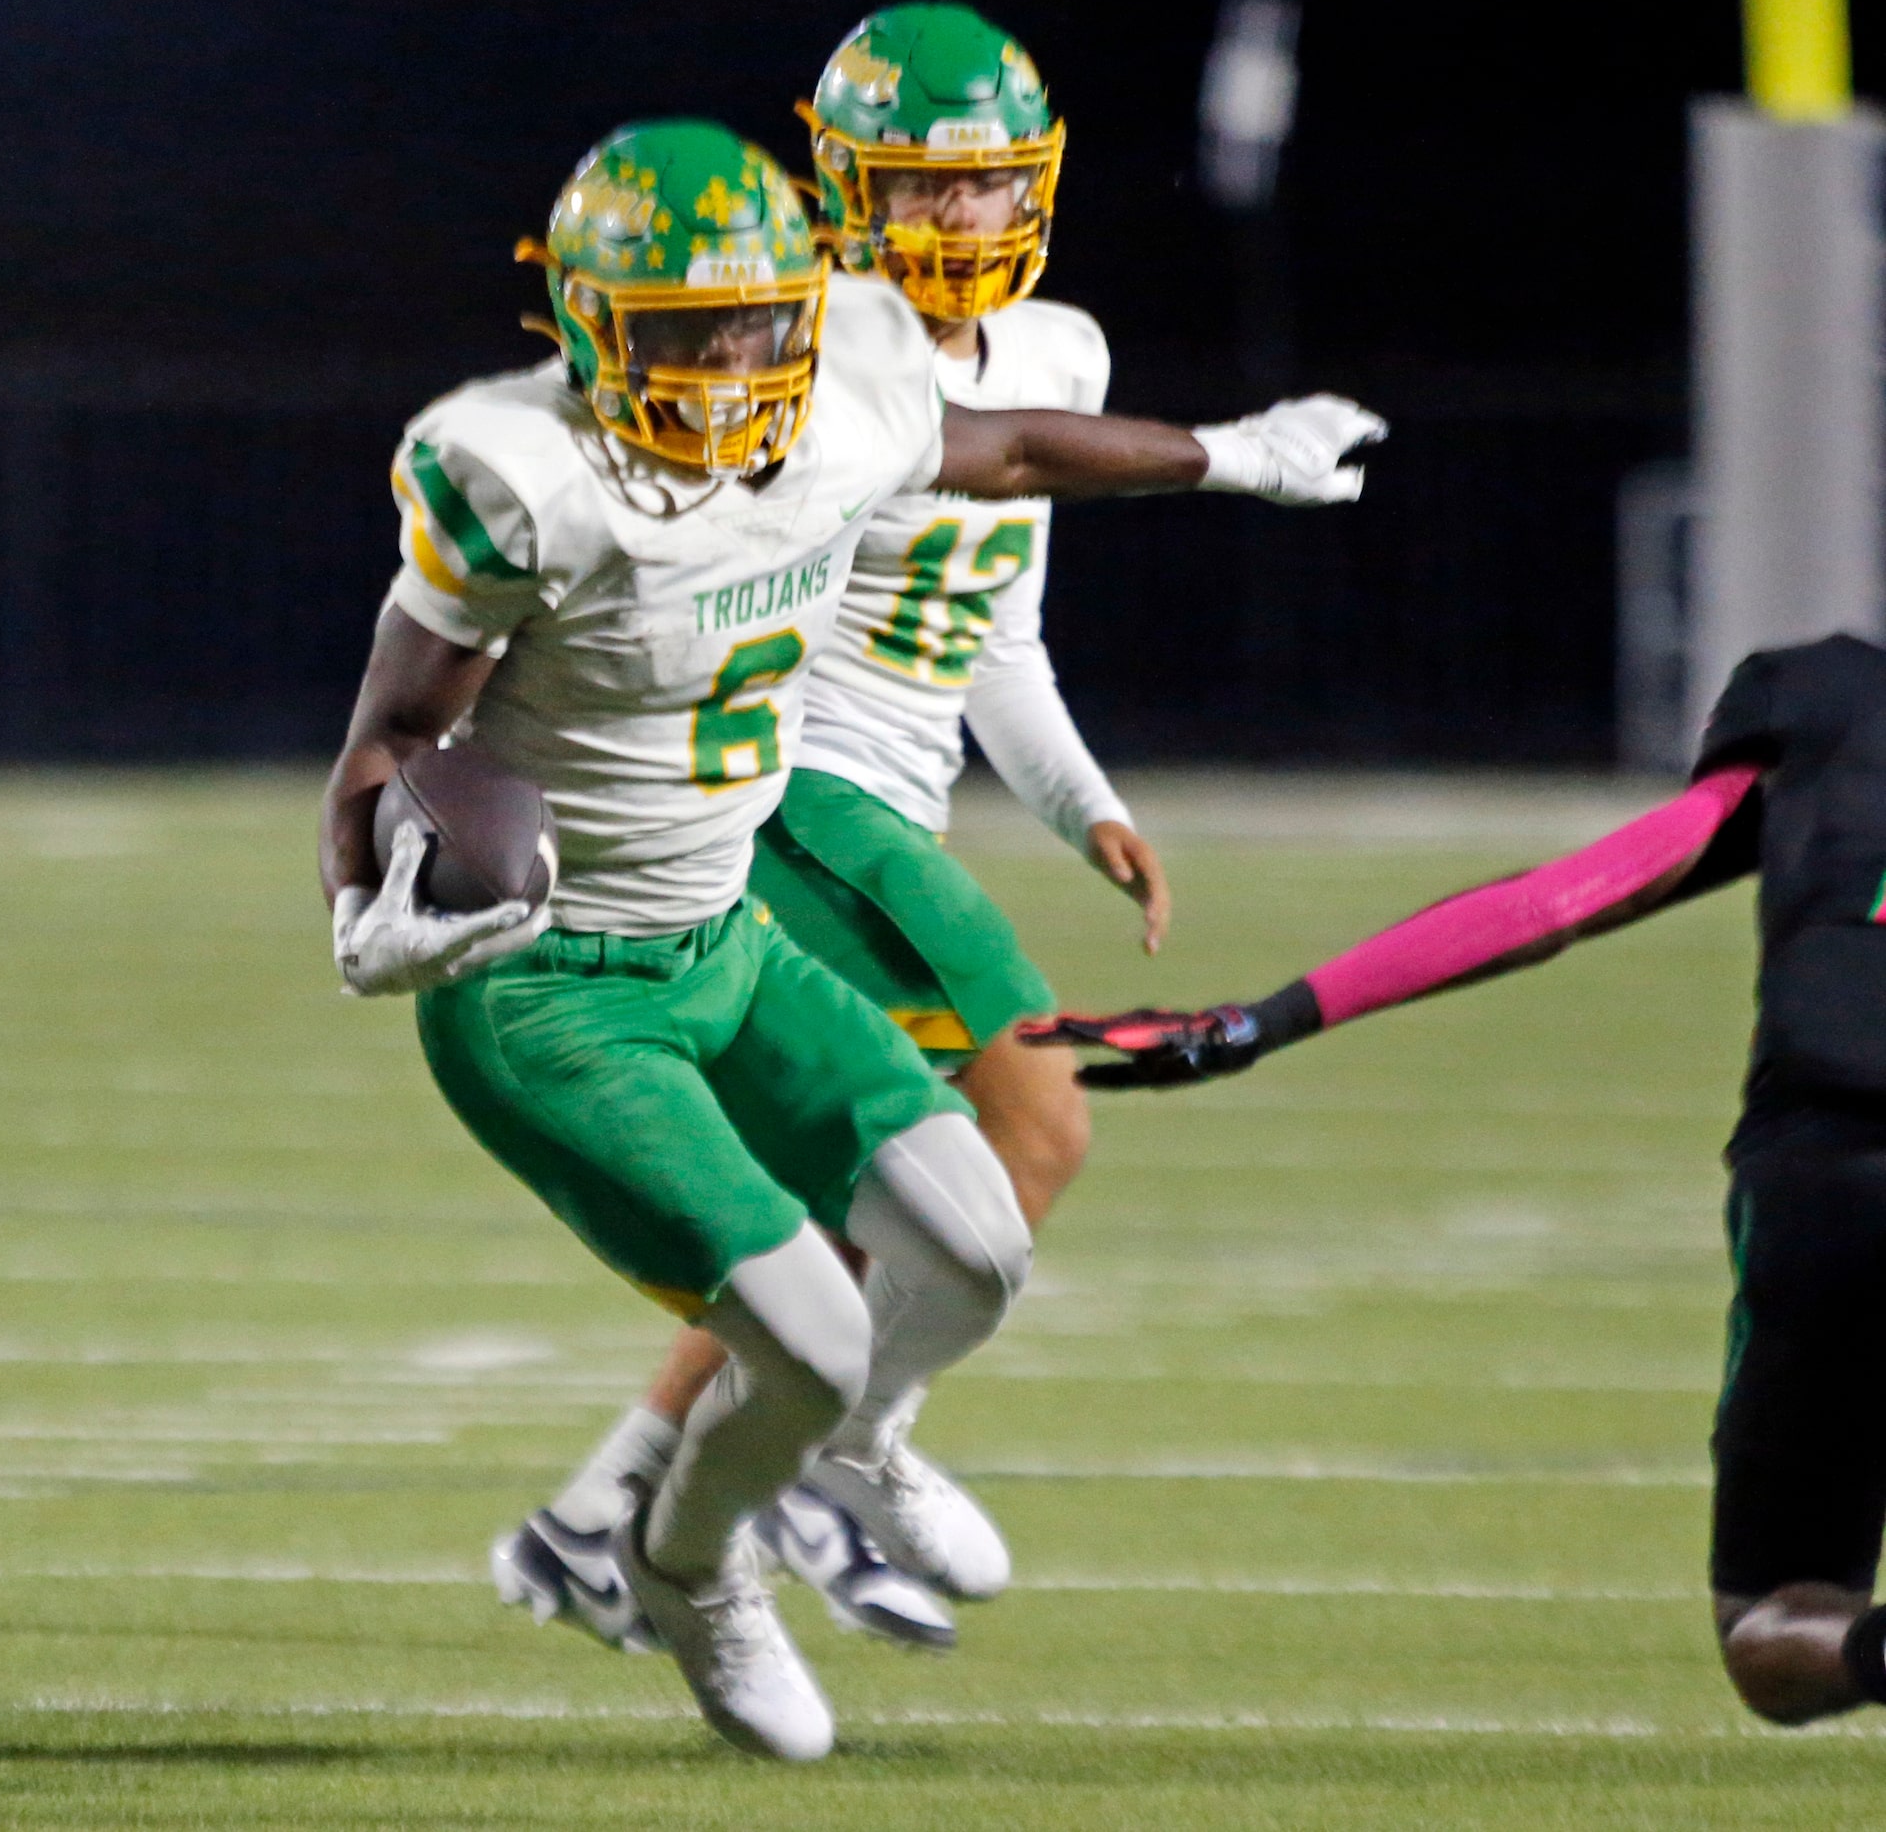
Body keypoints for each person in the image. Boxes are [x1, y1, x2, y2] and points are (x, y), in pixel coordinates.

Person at [323, 118, 1382, 1759]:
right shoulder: (521, 479)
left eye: (751, 321)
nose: (726, 360)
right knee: (809, 1331)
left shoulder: (842, 409)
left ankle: (832, 1457)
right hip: (545, 988)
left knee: (975, 1247)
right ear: (587, 326)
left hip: (722, 948)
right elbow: (390, 735)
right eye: (679, 330)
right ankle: (682, 1565)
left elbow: (1014, 449)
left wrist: (1228, 454)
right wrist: (364, 909)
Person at [1025, 633, 1886, 1729]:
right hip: (1821, 1164)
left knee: (1770, 1638)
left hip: (1820, 1183)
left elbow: (1564, 899)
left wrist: (1260, 1020)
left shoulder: (1824, 695)